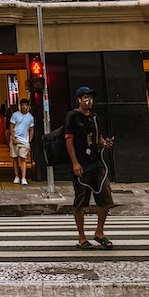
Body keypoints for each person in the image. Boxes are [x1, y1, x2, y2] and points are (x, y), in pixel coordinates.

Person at [63, 86, 116, 249]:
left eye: (91, 97)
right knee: (81, 200)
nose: (89, 100)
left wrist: (104, 143)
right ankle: (81, 237)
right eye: (85, 97)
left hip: (96, 163)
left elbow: (97, 137)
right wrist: (75, 163)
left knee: (105, 198)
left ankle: (99, 232)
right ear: (79, 99)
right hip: (81, 163)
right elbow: (68, 140)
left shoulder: (94, 117)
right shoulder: (72, 116)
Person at [9, 97, 35, 185]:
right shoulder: (15, 115)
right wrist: (13, 137)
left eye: (25, 105)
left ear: (28, 106)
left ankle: (23, 177)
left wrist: (29, 140)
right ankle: (17, 176)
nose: (24, 107)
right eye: (22, 105)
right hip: (15, 138)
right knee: (15, 158)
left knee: (23, 158)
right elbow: (11, 126)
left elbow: (31, 129)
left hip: (24, 140)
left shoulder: (30, 117)